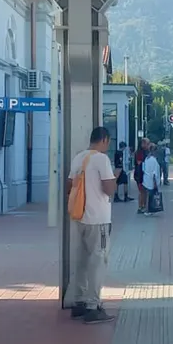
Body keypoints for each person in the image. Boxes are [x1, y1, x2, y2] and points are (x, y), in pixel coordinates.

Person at [66, 126, 119, 324]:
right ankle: (93, 306)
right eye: (108, 141)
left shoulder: (79, 158)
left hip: (80, 216)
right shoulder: (101, 159)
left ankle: (78, 302)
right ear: (104, 139)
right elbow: (109, 189)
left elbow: (69, 184)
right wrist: (116, 175)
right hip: (99, 219)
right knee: (98, 261)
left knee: (81, 261)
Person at [142, 145, 162, 216]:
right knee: (150, 196)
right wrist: (155, 183)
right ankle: (148, 210)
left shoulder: (147, 158)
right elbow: (155, 173)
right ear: (155, 151)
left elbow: (143, 169)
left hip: (146, 179)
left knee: (147, 195)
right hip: (151, 180)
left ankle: (147, 209)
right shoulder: (153, 160)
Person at [134, 138, 149, 214]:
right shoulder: (139, 152)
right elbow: (139, 163)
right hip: (139, 175)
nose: (148, 145)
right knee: (142, 192)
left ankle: (144, 206)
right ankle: (140, 207)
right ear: (142, 144)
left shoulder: (146, 152)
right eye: (147, 143)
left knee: (145, 192)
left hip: (144, 174)